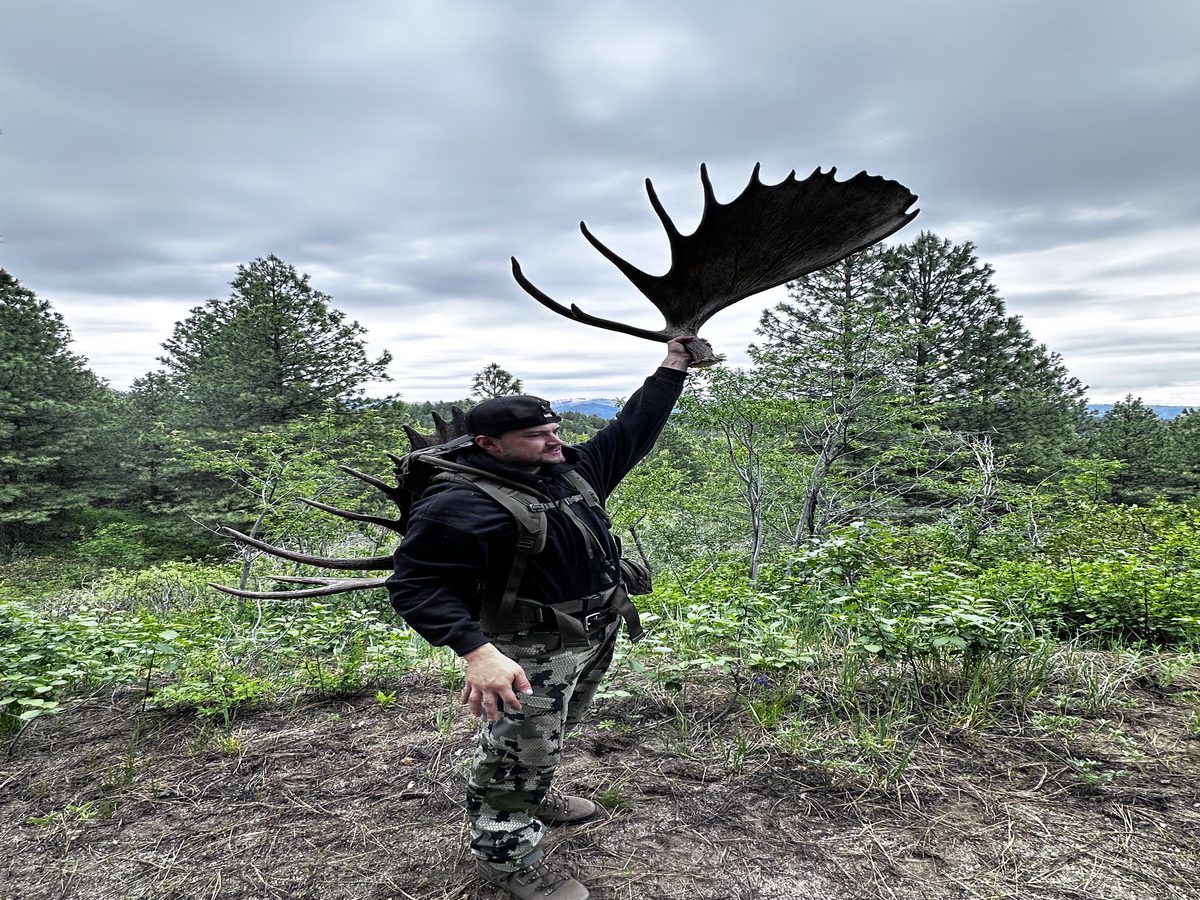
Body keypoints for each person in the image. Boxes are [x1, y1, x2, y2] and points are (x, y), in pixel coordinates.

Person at [387, 337, 696, 900]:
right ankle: (504, 856)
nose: (555, 441)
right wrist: (476, 652)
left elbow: (633, 429)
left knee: (548, 733)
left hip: (589, 632)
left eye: (554, 429)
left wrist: (673, 366)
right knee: (518, 750)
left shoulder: (569, 470)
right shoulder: (460, 504)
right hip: (528, 649)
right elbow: (415, 585)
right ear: (489, 444)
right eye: (537, 435)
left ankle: (534, 793)